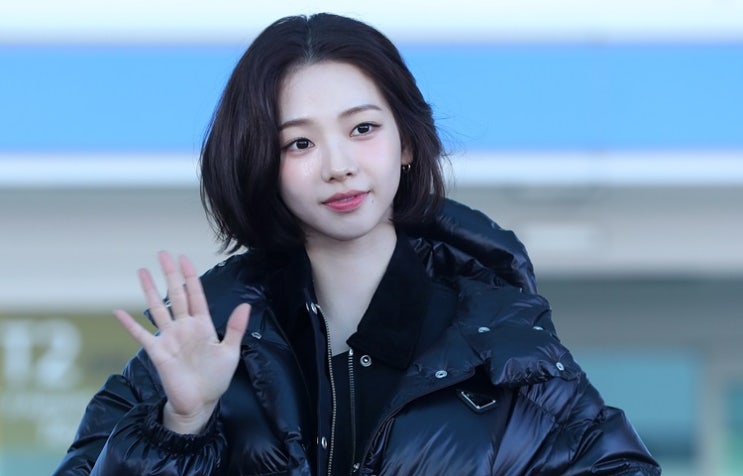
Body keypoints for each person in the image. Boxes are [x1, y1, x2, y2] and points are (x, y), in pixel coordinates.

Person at [53, 13, 661, 476]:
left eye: (363, 128)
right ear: (262, 164)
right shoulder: (199, 346)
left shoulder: (507, 351)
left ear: (406, 142)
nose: (338, 166)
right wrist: (181, 426)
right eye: (299, 143)